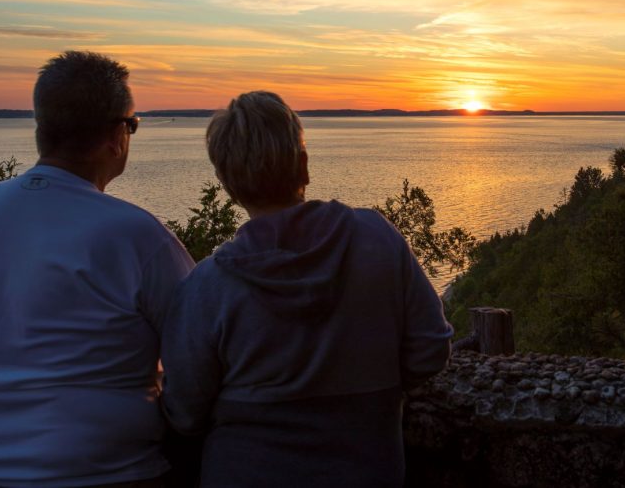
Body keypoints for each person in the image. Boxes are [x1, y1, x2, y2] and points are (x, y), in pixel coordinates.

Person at [0, 50, 195, 488]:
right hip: (93, 471)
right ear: (116, 135)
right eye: (134, 125)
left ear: (42, 128)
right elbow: (195, 351)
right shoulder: (135, 235)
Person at [160, 91, 453, 487]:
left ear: (227, 184)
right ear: (304, 166)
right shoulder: (376, 240)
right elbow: (431, 348)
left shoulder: (207, 287)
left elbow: (185, 413)